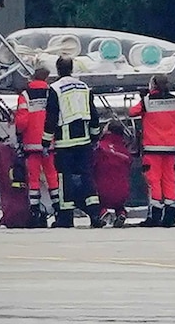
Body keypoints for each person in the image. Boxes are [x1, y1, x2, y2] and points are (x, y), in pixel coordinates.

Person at [42, 55, 104, 228]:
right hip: (84, 142)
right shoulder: (84, 87)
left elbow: (51, 117)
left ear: (58, 69)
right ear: (72, 69)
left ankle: (66, 218)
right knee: (87, 176)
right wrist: (95, 137)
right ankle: (95, 215)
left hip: (65, 143)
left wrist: (46, 142)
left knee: (65, 178)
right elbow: (93, 115)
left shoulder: (55, 88)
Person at [129, 75, 175, 227]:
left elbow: (132, 112)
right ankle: (170, 215)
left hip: (152, 148)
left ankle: (155, 215)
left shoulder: (147, 102)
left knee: (154, 181)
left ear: (152, 85)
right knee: (169, 180)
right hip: (171, 148)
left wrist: (144, 97)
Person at [15, 67, 60, 227]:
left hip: (31, 144)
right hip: (50, 142)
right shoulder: (51, 93)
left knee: (33, 179)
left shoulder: (25, 95)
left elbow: (22, 122)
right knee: (52, 177)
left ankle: (35, 212)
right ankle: (58, 209)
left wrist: (19, 133)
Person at [93, 120, 133, 228]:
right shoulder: (125, 151)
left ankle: (102, 212)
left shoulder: (100, 147)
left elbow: (91, 165)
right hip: (123, 192)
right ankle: (121, 213)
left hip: (103, 191)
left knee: (89, 195)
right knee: (119, 204)